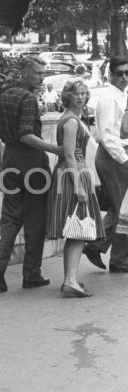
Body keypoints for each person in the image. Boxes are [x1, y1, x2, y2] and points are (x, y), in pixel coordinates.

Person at [0, 55, 63, 291]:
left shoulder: (5, 95)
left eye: (43, 73)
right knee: (35, 220)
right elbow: (26, 135)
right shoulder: (28, 98)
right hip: (32, 165)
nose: (42, 77)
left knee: (9, 218)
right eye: (38, 73)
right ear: (24, 73)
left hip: (10, 162)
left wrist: (0, 169)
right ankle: (31, 274)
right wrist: (54, 148)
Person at [46, 79, 105, 297]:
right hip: (73, 174)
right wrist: (79, 186)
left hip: (74, 172)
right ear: (67, 96)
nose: (80, 97)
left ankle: (70, 278)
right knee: (78, 227)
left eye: (83, 93)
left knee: (76, 229)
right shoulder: (71, 121)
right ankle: (70, 280)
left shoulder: (73, 119)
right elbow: (69, 154)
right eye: (76, 93)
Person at [83, 55, 128, 272]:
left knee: (119, 207)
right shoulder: (109, 97)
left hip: (118, 155)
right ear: (110, 74)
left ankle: (96, 245)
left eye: (127, 73)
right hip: (113, 156)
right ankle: (119, 259)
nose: (124, 77)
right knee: (123, 210)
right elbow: (109, 135)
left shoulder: (120, 95)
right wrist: (125, 159)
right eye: (120, 73)